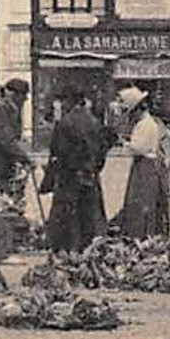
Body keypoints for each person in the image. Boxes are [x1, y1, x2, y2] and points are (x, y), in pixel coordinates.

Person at [43, 91, 113, 253]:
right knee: (89, 212)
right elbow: (105, 145)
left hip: (69, 175)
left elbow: (57, 150)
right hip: (90, 174)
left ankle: (69, 248)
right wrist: (96, 166)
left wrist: (52, 172)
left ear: (69, 101)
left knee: (69, 214)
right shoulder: (94, 121)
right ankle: (87, 247)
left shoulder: (66, 123)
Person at [114, 85, 170, 239]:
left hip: (146, 166)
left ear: (138, 110)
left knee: (142, 202)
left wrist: (126, 144)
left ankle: (142, 233)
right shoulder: (147, 123)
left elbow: (139, 147)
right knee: (142, 201)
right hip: (145, 164)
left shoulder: (145, 125)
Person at [0, 80, 32, 188]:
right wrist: (25, 158)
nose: (25, 99)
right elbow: (7, 141)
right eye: (23, 95)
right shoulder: (2, 110)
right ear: (12, 94)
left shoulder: (9, 110)